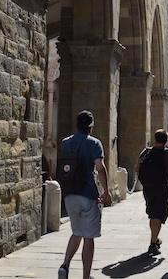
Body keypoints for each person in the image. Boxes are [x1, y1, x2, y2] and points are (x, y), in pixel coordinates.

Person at [57, 111, 110, 279]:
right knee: (88, 237)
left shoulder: (65, 142)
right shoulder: (94, 143)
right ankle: (86, 277)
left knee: (77, 231)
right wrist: (105, 190)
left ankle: (65, 266)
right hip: (88, 194)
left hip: (70, 194)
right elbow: (100, 167)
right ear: (91, 126)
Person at [136, 129, 168, 255]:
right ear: (166, 140)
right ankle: (153, 243)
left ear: (155, 138)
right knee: (158, 215)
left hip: (148, 187)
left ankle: (154, 239)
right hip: (162, 188)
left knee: (152, 214)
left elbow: (137, 167)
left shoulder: (146, 151)